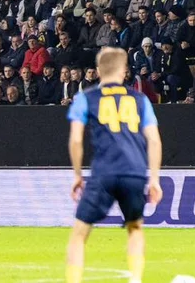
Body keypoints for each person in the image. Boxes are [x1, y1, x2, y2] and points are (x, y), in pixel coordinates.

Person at [66, 46, 162, 283]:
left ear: (98, 71)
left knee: (79, 234)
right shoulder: (140, 100)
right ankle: (136, 280)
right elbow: (154, 140)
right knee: (135, 228)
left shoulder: (85, 98)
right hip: (134, 172)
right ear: (124, 72)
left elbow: (76, 139)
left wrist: (78, 174)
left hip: (104, 172)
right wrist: (155, 179)